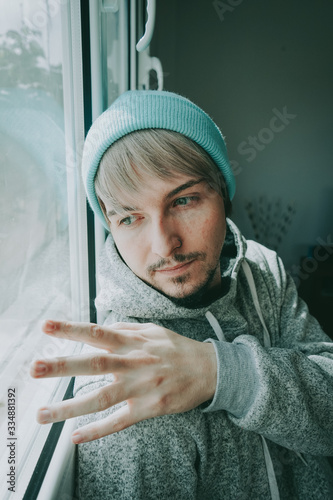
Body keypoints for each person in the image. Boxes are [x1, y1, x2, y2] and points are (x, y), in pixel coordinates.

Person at [31, 90, 333, 499]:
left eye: (185, 200)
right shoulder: (131, 399)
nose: (164, 245)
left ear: (224, 195)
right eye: (130, 218)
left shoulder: (261, 269)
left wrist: (220, 373)